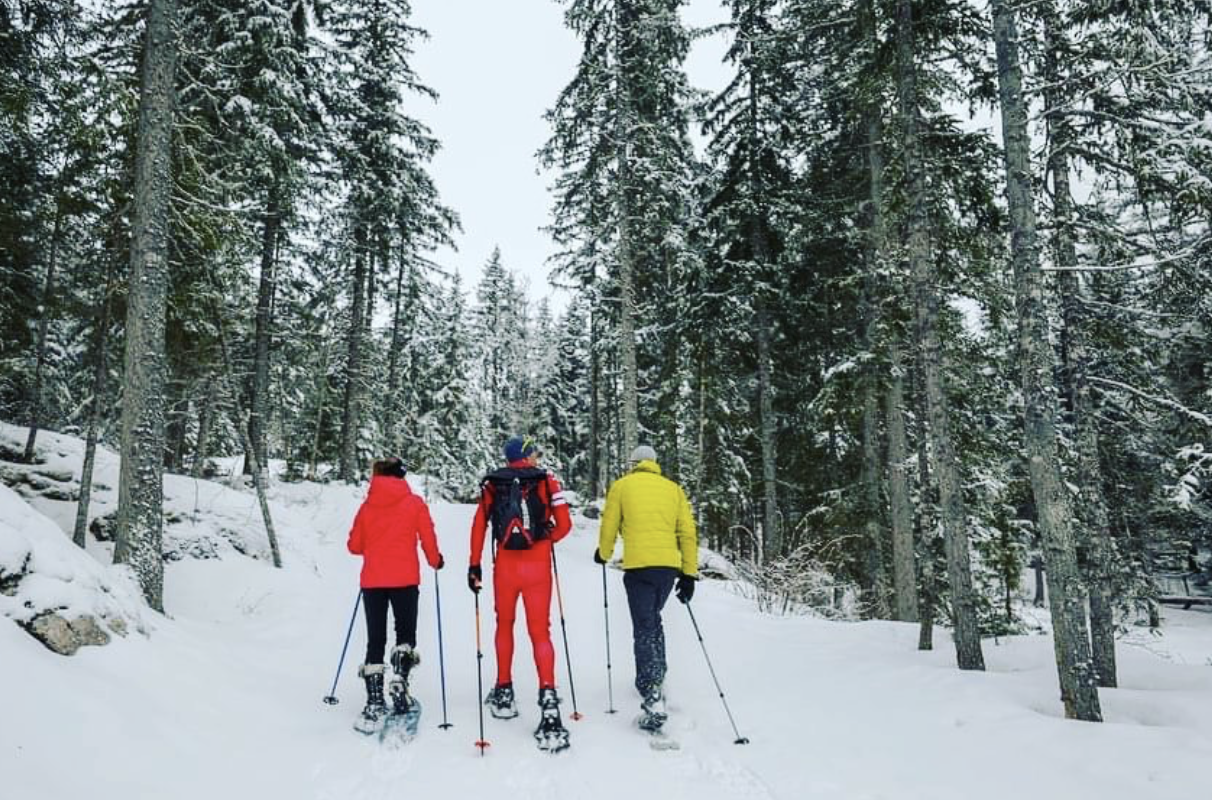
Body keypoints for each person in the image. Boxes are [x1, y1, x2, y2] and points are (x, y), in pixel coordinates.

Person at [468, 436, 573, 750]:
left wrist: (474, 565)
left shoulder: (493, 484)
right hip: (538, 567)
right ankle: (549, 696)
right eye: (534, 452)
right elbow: (565, 525)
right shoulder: (547, 480)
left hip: (506, 568)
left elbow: (479, 525)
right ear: (526, 456)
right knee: (541, 632)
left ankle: (503, 689)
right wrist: (542, 539)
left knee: (504, 625)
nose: (538, 457)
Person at [595, 444, 697, 733]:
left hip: (639, 567)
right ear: (654, 463)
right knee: (653, 618)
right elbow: (687, 533)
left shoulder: (622, 486)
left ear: (633, 464)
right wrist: (688, 574)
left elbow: (609, 526)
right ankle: (657, 673)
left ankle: (651, 691)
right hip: (668, 568)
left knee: (643, 625)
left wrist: (603, 553)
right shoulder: (673, 490)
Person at [347, 456, 444, 734]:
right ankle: (400, 680)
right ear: (401, 477)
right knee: (405, 633)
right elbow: (428, 537)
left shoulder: (367, 507)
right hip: (405, 579)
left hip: (373, 580)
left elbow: (354, 546)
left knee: (375, 639)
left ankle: (375, 701)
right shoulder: (414, 503)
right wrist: (435, 560)